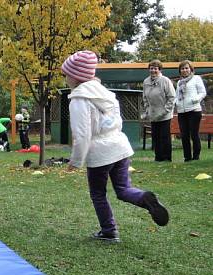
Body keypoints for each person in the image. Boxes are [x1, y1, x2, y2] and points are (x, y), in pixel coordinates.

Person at [62, 50, 169, 242]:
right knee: (123, 189)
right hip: (119, 146)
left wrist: (76, 161)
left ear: (76, 77)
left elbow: (82, 134)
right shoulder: (106, 93)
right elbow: (117, 121)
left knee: (98, 193)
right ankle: (144, 197)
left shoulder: (79, 99)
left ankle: (109, 231)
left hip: (100, 153)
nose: (65, 78)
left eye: (66, 74)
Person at [142, 59, 176, 162]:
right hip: (153, 114)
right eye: (151, 68)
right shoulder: (146, 81)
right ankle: (158, 157)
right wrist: (147, 109)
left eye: (155, 68)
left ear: (160, 69)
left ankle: (166, 158)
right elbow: (144, 97)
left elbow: (172, 97)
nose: (153, 70)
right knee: (155, 136)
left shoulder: (165, 80)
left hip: (164, 114)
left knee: (164, 136)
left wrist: (166, 110)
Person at [175, 60, 207, 162]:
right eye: (182, 68)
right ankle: (187, 157)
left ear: (191, 69)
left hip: (194, 110)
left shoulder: (196, 78)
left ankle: (196, 156)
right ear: (180, 70)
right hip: (181, 111)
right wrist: (176, 103)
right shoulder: (179, 82)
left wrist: (196, 99)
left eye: (186, 68)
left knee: (194, 134)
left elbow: (203, 92)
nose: (184, 70)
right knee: (184, 135)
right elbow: (176, 96)